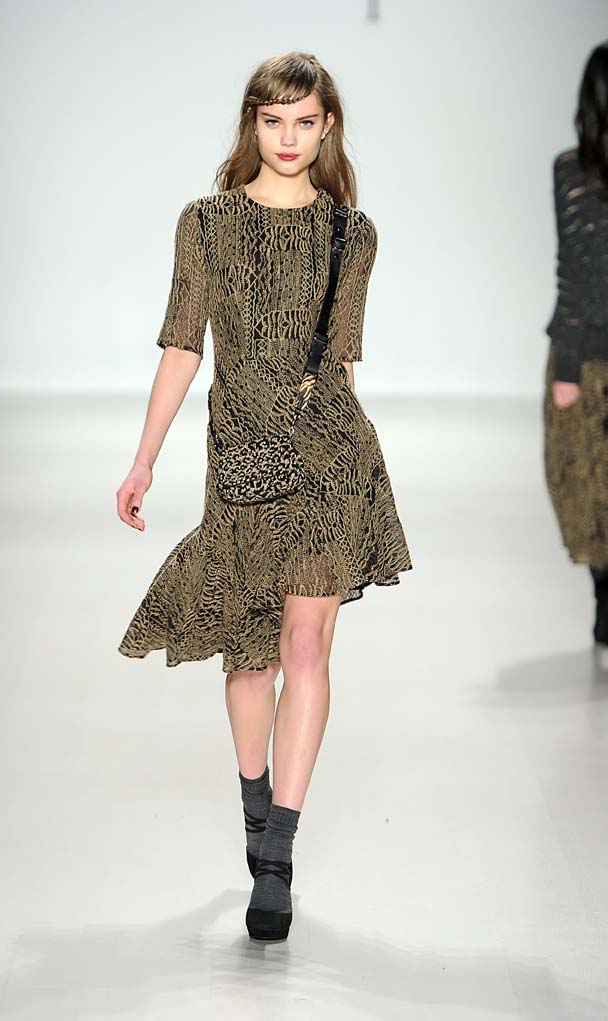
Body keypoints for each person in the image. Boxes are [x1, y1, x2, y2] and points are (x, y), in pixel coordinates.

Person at [116, 51, 412, 941]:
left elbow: (343, 361)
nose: (288, 138)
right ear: (253, 123)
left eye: (304, 122)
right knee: (251, 659)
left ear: (327, 128)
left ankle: (277, 852)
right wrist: (144, 460)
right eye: (273, 120)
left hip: (328, 460)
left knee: (307, 643)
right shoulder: (205, 223)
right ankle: (257, 804)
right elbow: (183, 345)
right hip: (240, 459)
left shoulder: (352, 234)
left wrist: (351, 456)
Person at [544, 41, 608, 651]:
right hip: (586, 356)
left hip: (584, 356)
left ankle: (604, 600)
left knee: (587, 488)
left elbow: (575, 274)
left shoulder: (572, 172)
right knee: (587, 490)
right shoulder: (573, 172)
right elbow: (574, 274)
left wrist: (566, 365)